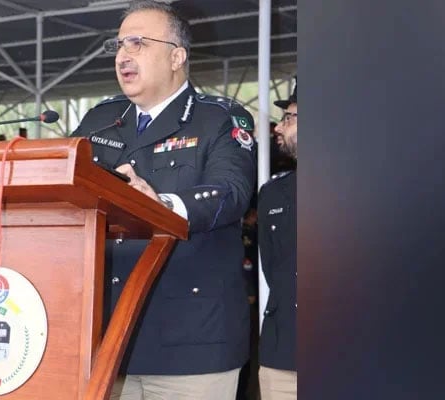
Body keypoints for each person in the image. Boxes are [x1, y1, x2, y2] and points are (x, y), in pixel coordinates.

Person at [71, 1, 257, 399]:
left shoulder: (219, 119)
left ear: (177, 56)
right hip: (106, 341)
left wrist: (160, 205)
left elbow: (232, 193)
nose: (123, 55)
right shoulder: (98, 121)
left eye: (138, 43)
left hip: (191, 346)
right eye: (119, 45)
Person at [257, 79, 297, 400]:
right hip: (282, 355)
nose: (278, 128)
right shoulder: (272, 193)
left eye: (289, 118)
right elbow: (273, 267)